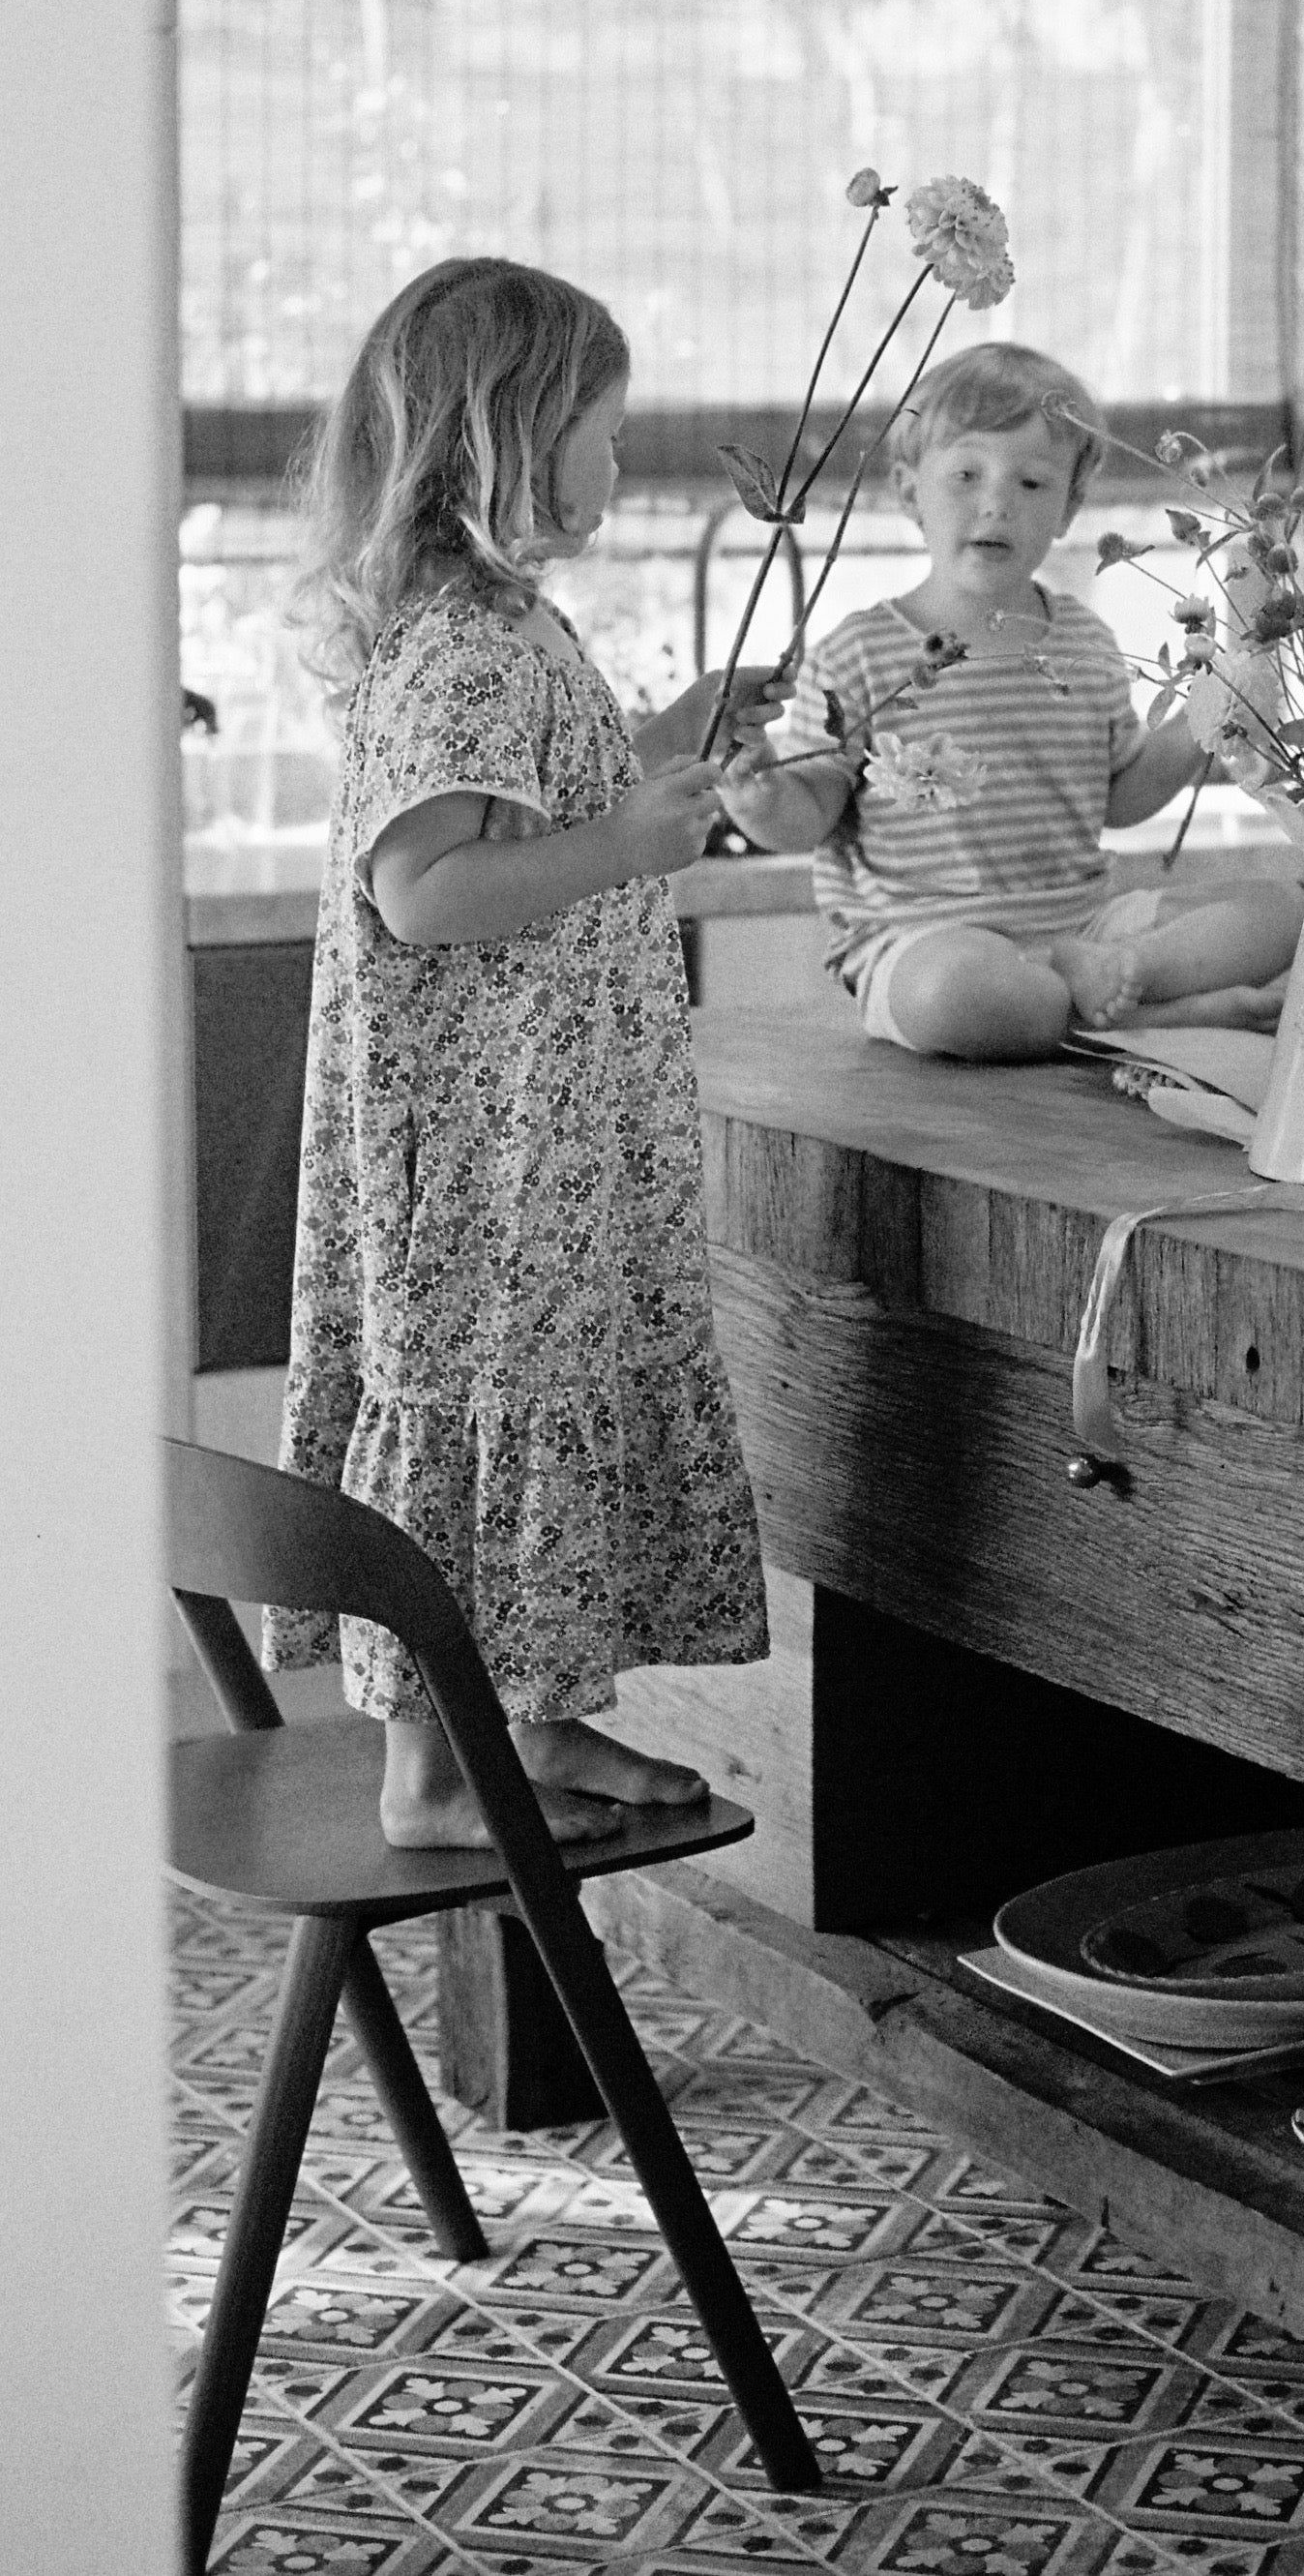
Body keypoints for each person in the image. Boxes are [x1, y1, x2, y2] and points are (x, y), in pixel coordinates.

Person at [273, 256, 785, 1849]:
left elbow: (526, 801)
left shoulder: (498, 623)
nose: (619, 466)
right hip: (491, 1157)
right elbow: (425, 890)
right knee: (490, 1398)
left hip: (546, 1136)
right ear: (507, 437)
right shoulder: (465, 643)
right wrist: (634, 840)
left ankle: (534, 1720)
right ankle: (435, 1772)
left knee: (541, 1390)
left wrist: (662, 743)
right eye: (604, 434)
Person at [726, 343, 1304, 1058]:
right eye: (966, 474)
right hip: (923, 941)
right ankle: (1147, 1018)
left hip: (1082, 930)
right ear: (910, 493)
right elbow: (810, 810)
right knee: (957, 998)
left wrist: (1210, 712)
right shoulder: (859, 650)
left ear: (1068, 508)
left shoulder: (1086, 640)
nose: (996, 501)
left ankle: (1131, 984)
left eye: (1031, 483)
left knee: (1282, 908)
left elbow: (1118, 797)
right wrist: (758, 796)